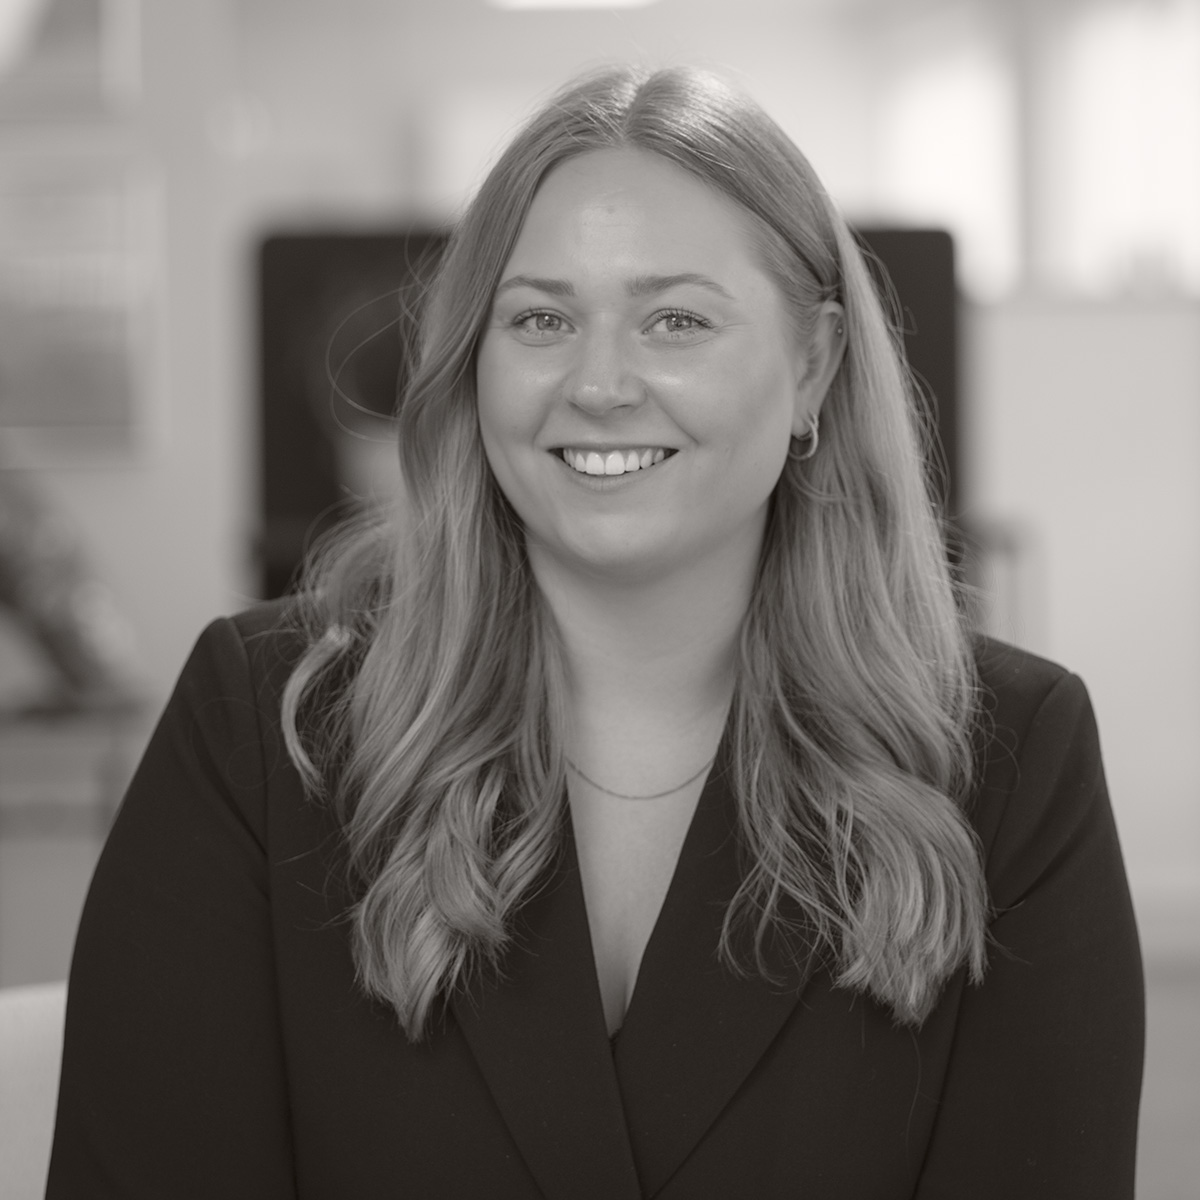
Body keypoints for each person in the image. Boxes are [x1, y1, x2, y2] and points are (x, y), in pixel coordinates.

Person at [47, 66, 1144, 1199]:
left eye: (677, 320)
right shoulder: (265, 729)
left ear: (813, 366)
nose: (601, 383)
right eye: (542, 319)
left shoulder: (1011, 758)